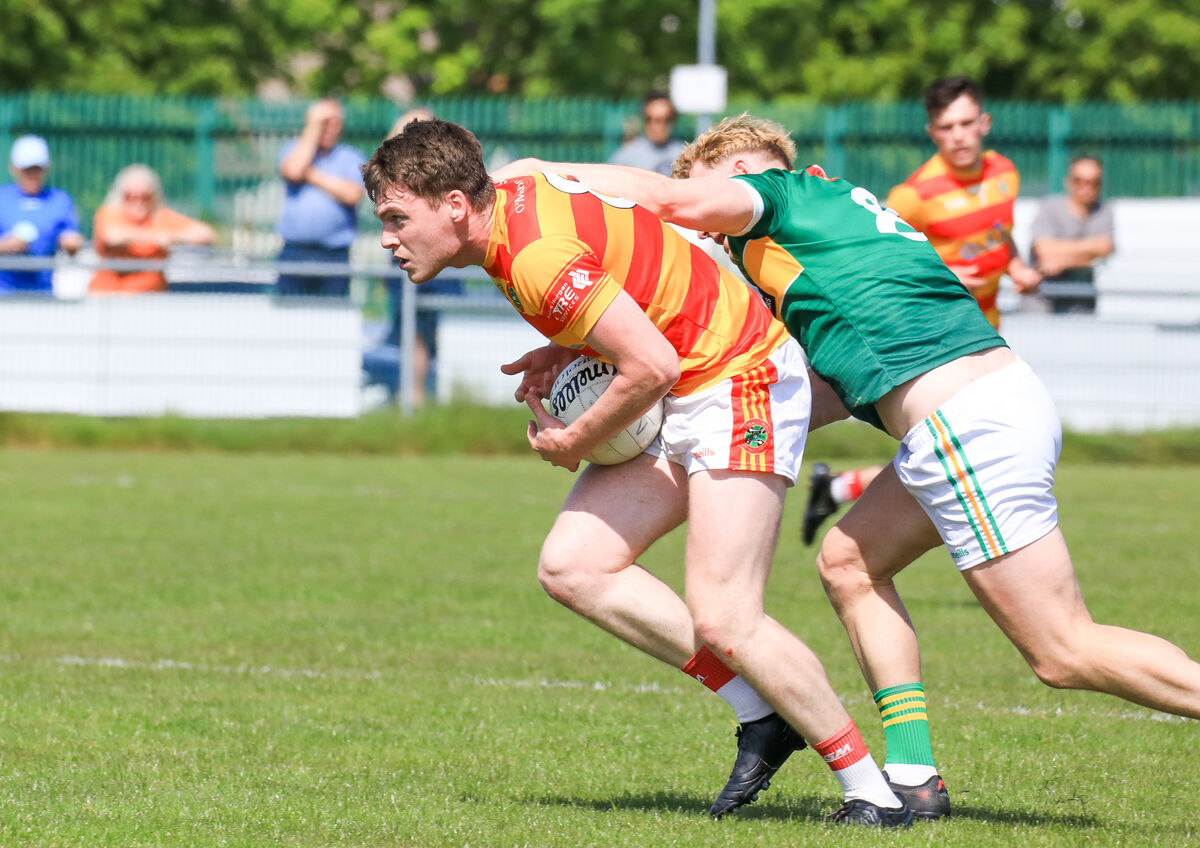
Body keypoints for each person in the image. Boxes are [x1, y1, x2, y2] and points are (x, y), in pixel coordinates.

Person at [494, 113, 1200, 821]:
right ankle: (915, 779)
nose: (704, 229)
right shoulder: (819, 232)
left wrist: (544, 177)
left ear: (737, 174)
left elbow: (673, 203)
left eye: (710, 197)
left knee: (1063, 651)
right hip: (974, 410)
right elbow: (810, 388)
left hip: (966, 423)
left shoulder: (777, 194)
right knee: (848, 563)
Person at [364, 118, 913, 827]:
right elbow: (618, 257)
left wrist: (574, 439)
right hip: (689, 378)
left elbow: (648, 364)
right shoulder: (519, 181)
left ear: (456, 207)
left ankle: (872, 791)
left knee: (726, 612)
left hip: (739, 374)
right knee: (574, 565)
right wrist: (567, 345)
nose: (387, 238)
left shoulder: (533, 258)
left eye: (396, 218)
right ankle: (762, 714)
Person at [803, 76, 1045, 543]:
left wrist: (1015, 265)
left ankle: (837, 487)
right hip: (938, 346)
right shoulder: (913, 195)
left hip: (989, 338)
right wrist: (948, 275)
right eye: (946, 126)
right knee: (972, 455)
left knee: (958, 457)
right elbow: (880, 264)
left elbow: (999, 233)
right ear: (932, 133)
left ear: (985, 123)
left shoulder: (1005, 174)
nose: (958, 135)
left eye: (966, 123)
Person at [275, 99, 365, 297]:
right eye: (324, 123)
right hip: (294, 252)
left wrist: (310, 174)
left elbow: (352, 194)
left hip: (334, 254)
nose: (331, 129)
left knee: (331, 318)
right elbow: (293, 170)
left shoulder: (350, 156)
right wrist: (313, 129)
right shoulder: (293, 149)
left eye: (335, 123)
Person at [89, 164, 216, 294]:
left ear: (154, 196)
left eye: (145, 197)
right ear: (121, 196)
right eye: (131, 196)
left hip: (151, 300)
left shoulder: (161, 217)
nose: (138, 202)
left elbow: (206, 233)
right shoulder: (110, 213)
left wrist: (173, 237)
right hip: (108, 297)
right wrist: (154, 237)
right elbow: (112, 236)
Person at [1030, 155, 1114, 314]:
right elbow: (1044, 251)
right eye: (1079, 180)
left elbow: (1106, 248)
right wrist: (1089, 254)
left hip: (1081, 308)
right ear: (1068, 181)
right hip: (1040, 307)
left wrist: (1061, 259)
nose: (1086, 187)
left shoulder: (1104, 211)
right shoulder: (1049, 208)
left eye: (1093, 182)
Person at [0, 135, 84, 294]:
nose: (32, 174)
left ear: (46, 169)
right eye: (27, 169)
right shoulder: (2, 198)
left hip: (42, 294)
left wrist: (72, 244)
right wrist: (4, 245)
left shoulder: (60, 200)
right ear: (14, 169)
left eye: (37, 168)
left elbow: (73, 241)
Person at [608, 91, 686, 176]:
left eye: (663, 120)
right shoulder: (627, 156)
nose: (656, 126)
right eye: (649, 119)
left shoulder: (684, 155)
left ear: (673, 120)